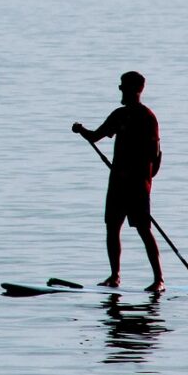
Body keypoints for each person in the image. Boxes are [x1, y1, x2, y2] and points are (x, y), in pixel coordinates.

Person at [72, 71, 164, 291]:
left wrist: (142, 179)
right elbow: (96, 136)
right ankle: (115, 276)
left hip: (138, 186)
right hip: (117, 184)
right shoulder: (119, 115)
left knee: (143, 229)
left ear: (136, 89)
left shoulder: (147, 117)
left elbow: (155, 156)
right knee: (112, 227)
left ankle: (159, 279)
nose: (120, 89)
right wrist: (81, 130)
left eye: (123, 86)